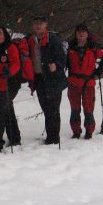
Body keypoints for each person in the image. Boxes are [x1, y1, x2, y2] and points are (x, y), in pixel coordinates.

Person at [26, 16, 67, 144]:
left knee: (53, 109)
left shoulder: (53, 39)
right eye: (36, 23)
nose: (38, 26)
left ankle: (53, 139)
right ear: (33, 25)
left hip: (53, 79)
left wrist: (56, 65)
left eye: (41, 23)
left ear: (46, 25)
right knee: (46, 108)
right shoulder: (29, 39)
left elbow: (62, 58)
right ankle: (52, 137)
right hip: (39, 79)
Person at [66, 24, 103, 139]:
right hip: (73, 82)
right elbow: (63, 60)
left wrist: (98, 72)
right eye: (78, 32)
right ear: (75, 34)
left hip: (88, 83)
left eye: (83, 32)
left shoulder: (94, 47)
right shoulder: (69, 47)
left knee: (88, 109)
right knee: (74, 109)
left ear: (87, 34)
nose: (81, 34)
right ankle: (76, 132)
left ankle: (89, 132)